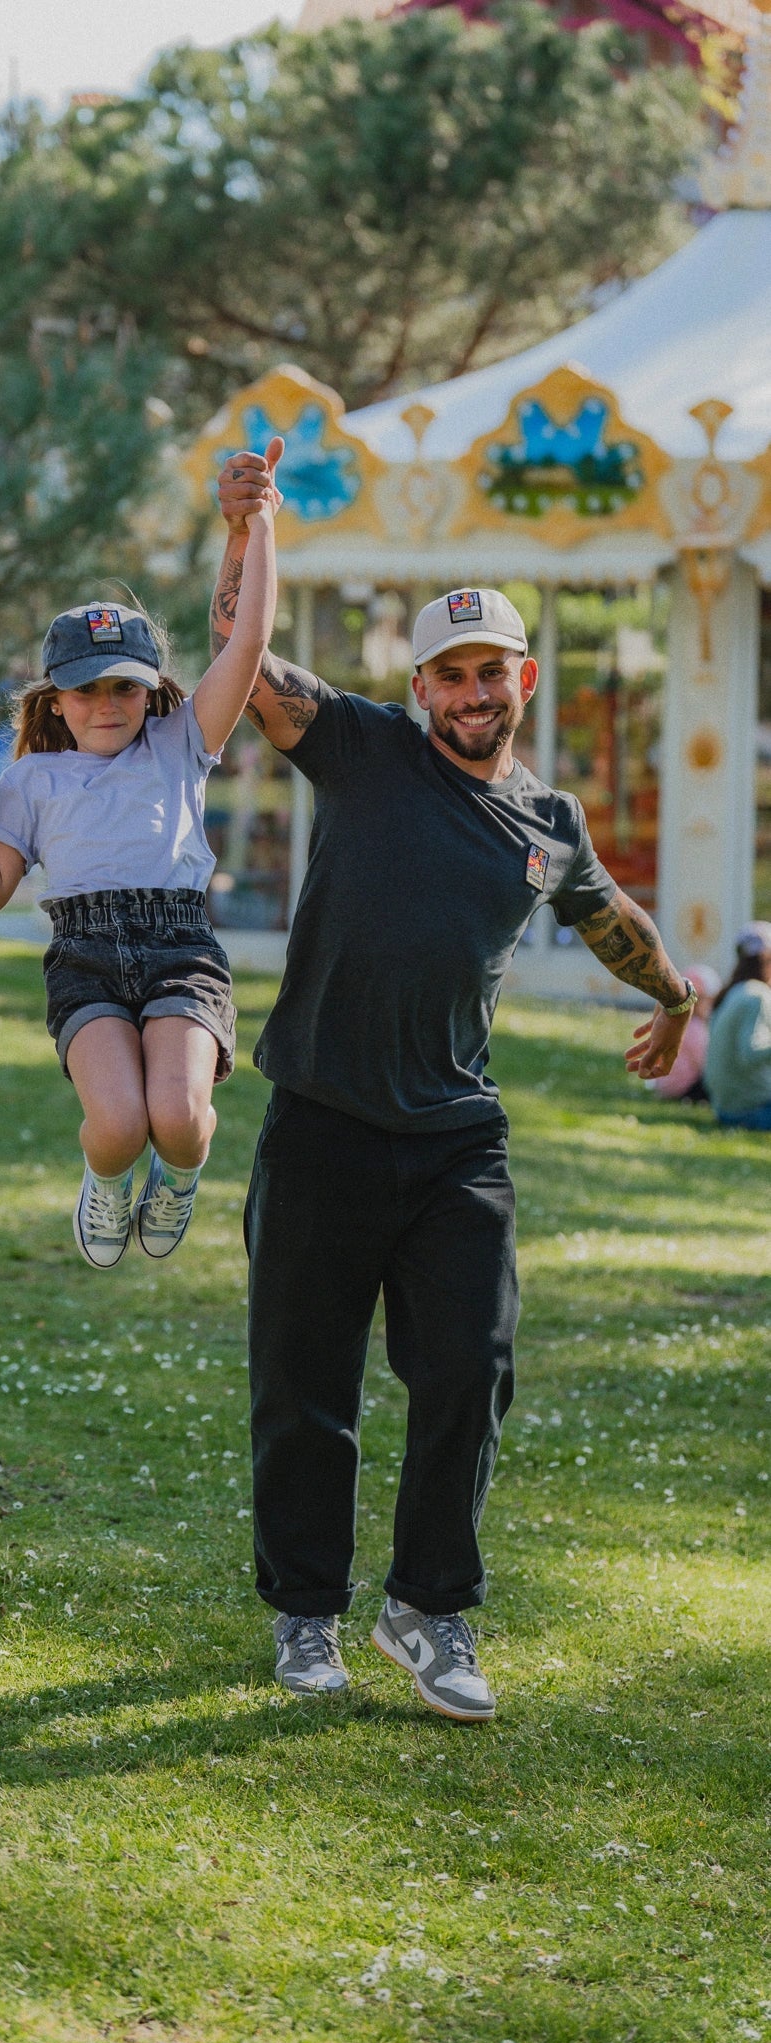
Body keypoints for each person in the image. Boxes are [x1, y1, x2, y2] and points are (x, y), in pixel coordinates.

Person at [213, 443, 696, 1723]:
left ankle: (429, 1608)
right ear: (420, 684)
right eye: (452, 671)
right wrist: (244, 532)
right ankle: (306, 1615)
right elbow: (242, 662)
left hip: (454, 1141)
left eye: (494, 669)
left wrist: (674, 996)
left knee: (471, 1369)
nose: (475, 689)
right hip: (319, 1117)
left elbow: (610, 918)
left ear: (523, 678)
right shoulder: (366, 749)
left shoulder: (550, 824)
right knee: (301, 1382)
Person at [0, 480, 278, 1269]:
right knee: (119, 1126)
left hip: (179, 948)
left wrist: (255, 528)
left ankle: (179, 1180)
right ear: (56, 699)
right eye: (86, 689)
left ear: (150, 688)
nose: (107, 703)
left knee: (181, 1117)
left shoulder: (181, 744)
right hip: (84, 956)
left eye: (125, 685)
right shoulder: (31, 780)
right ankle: (108, 1181)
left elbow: (247, 644)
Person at [705, 924, 771, 1129]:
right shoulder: (756, 996)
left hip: (725, 1108)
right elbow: (750, 1052)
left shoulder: (733, 992)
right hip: (750, 1111)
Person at [650, 963, 718, 1105]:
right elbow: (704, 1065)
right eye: (709, 1001)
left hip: (664, 1086)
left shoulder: (673, 1024)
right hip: (684, 1088)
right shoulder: (694, 1028)